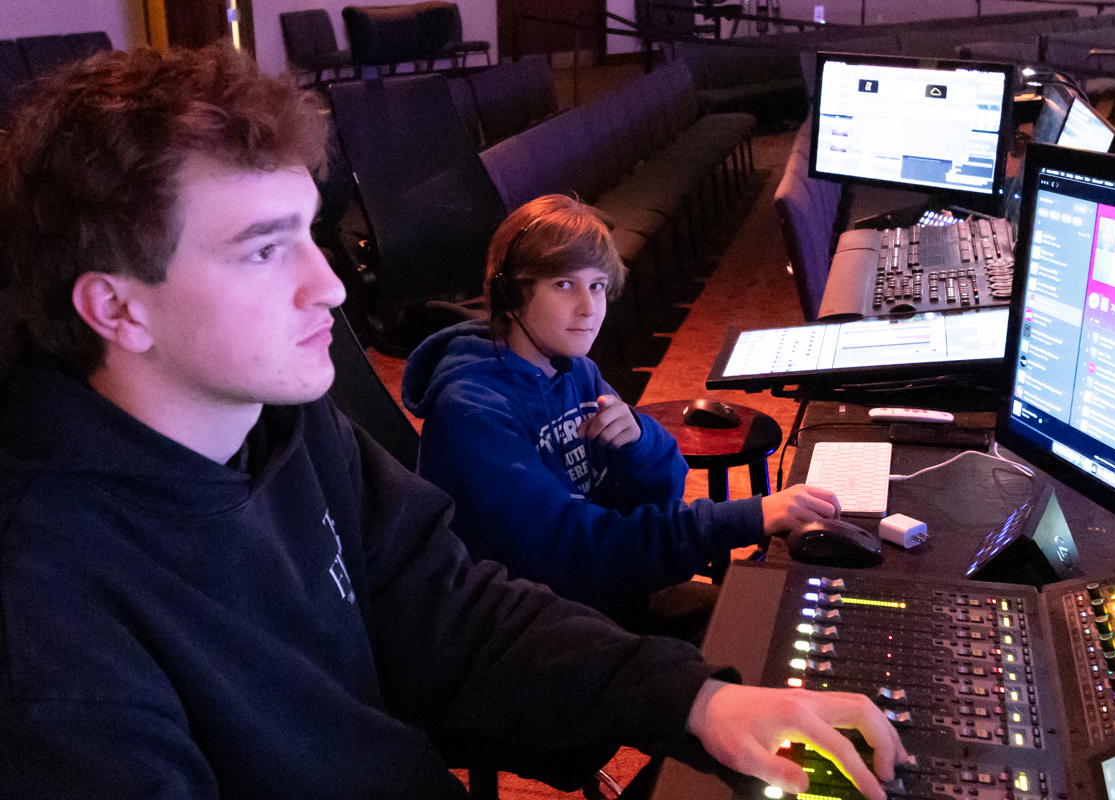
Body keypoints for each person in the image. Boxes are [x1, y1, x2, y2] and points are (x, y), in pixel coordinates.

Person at [0, 45, 904, 800]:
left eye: (310, 233)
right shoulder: (47, 623)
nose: (330, 285)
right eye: (265, 249)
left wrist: (697, 702)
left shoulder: (285, 423)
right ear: (117, 308)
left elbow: (453, 612)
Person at [402, 195, 841, 635]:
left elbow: (660, 495)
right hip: (523, 628)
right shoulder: (471, 408)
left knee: (772, 618)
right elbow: (572, 552)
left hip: (597, 595)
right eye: (564, 284)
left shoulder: (576, 370)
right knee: (746, 641)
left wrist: (640, 442)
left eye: (597, 286)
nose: (588, 308)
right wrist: (749, 517)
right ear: (510, 294)